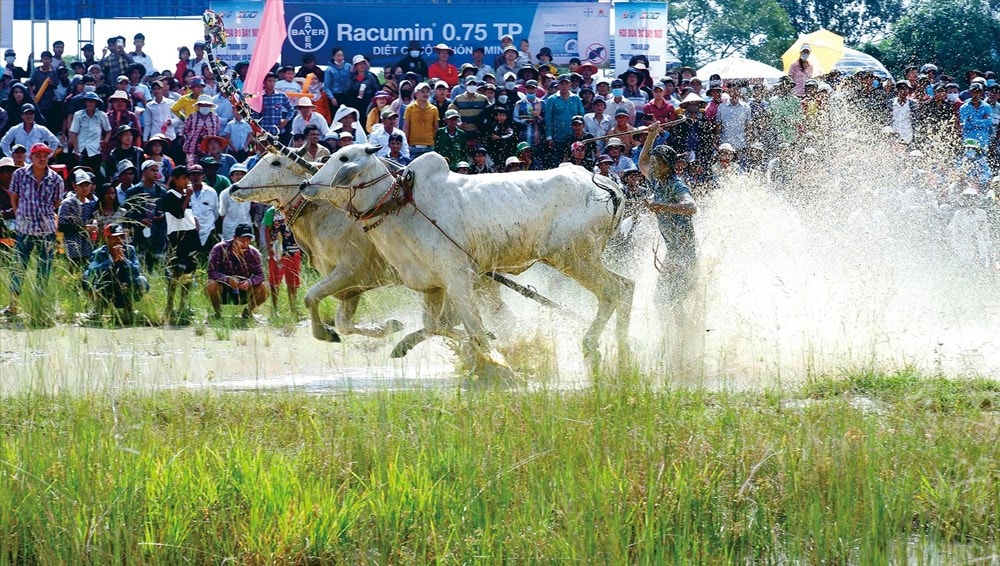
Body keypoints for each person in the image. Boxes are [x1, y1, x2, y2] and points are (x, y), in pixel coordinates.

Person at [638, 122, 697, 309]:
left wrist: (660, 206)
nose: (652, 164)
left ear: (666, 165)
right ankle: (676, 336)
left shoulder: (676, 184)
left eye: (656, 162)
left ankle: (680, 337)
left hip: (684, 254)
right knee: (667, 301)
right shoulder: (657, 179)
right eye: (654, 161)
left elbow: (691, 206)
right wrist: (651, 136)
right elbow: (642, 163)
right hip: (673, 252)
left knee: (668, 301)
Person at [5, 143, 64, 317]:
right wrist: (19, 214)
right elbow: (14, 197)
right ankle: (13, 306)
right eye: (38, 155)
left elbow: (56, 203)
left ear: (48, 157)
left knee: (44, 269)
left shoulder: (56, 179)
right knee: (18, 268)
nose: (42, 158)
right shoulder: (19, 174)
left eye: (45, 155)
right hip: (24, 228)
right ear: (31, 157)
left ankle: (39, 306)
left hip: (46, 230)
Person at [82, 223, 149, 323]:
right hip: (105, 289)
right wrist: (111, 260)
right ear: (106, 238)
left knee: (142, 280)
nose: (118, 240)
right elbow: (92, 271)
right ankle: (98, 310)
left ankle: (129, 310)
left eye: (121, 237)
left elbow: (136, 271)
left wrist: (125, 260)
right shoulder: (98, 253)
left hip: (125, 288)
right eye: (114, 238)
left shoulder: (130, 250)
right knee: (86, 277)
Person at [206, 222, 267, 321]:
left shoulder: (254, 253)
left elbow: (260, 275)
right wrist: (227, 279)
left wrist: (249, 282)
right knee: (210, 284)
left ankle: (248, 312)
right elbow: (211, 271)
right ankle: (217, 313)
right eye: (242, 240)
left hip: (244, 289)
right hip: (224, 288)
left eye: (248, 240)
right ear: (235, 237)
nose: (245, 243)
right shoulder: (219, 248)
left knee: (265, 287)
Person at [58, 168, 98, 267]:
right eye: (81, 185)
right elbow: (62, 226)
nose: (84, 188)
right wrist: (83, 228)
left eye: (87, 185)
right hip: (73, 246)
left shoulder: (92, 204)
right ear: (75, 186)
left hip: (88, 246)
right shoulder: (68, 203)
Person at [403, 82, 439, 158]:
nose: (425, 94)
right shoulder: (410, 108)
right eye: (422, 92)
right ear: (416, 94)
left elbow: (435, 128)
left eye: (427, 92)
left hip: (429, 146)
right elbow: (406, 126)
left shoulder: (434, 109)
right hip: (413, 146)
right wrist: (406, 143)